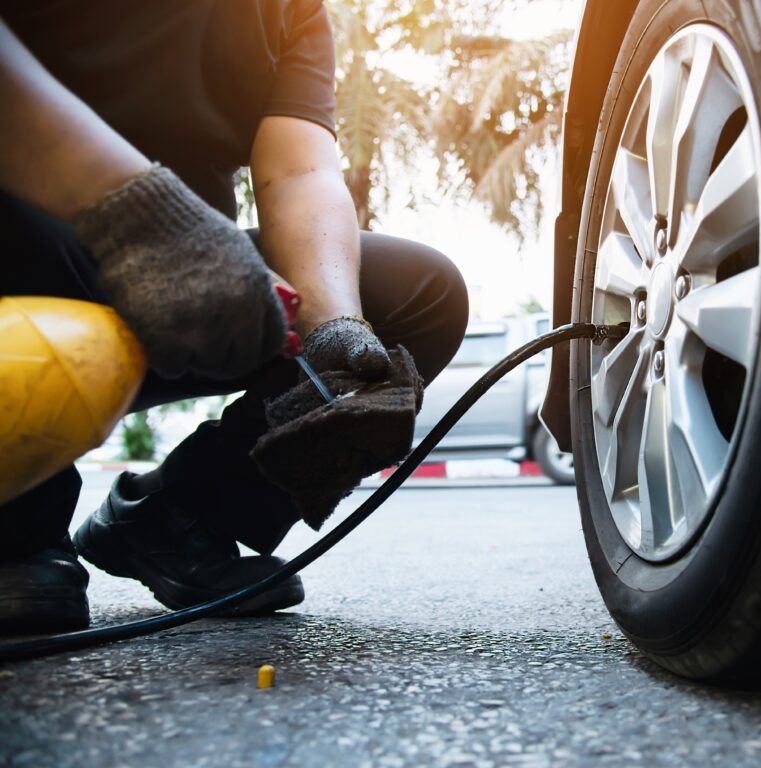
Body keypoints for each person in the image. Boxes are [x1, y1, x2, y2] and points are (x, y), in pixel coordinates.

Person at [0, 0, 469, 632]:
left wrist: (335, 330)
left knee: (419, 294)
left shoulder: (289, 12)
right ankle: (18, 531)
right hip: (30, 258)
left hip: (185, 286)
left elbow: (300, 170)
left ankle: (181, 517)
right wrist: (139, 216)